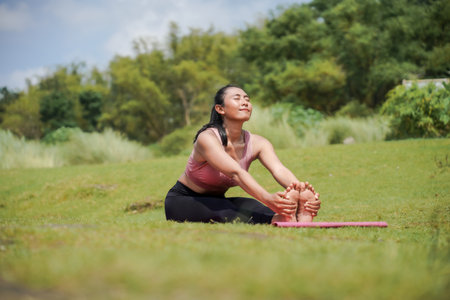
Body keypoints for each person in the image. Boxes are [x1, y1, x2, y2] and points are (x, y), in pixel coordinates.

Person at [164, 84, 321, 224]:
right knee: (229, 211)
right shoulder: (207, 138)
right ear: (220, 109)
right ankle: (280, 218)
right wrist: (267, 198)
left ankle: (292, 213)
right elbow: (235, 173)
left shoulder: (259, 143)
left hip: (218, 200)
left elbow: (278, 169)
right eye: (237, 98)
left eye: (247, 99)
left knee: (248, 206)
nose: (245, 102)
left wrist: (300, 191)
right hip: (184, 201)